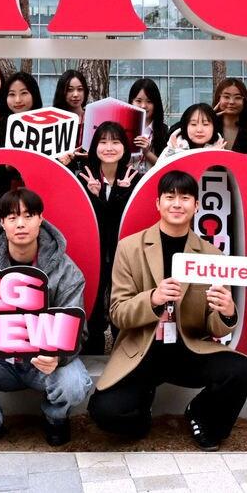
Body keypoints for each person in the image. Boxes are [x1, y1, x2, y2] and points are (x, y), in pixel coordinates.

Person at [88, 171, 247, 450]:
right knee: (104, 412)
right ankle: (142, 412)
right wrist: (153, 299)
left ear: (197, 206)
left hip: (188, 349)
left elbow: (213, 326)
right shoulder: (130, 247)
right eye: (170, 197)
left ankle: (201, 415)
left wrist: (226, 312)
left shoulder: (211, 255)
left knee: (240, 370)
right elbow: (117, 312)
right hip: (143, 349)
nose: (177, 204)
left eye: (185, 198)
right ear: (158, 203)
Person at [0, 188, 95, 450]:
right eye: (12, 217)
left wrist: (58, 356)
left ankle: (55, 417)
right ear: (2, 223)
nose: (21, 224)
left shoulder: (66, 271)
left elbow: (78, 331)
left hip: (43, 364)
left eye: (28, 215)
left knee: (74, 384)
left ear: (41, 219)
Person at [73, 120, 141, 355]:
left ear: (125, 147)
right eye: (103, 142)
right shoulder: (84, 177)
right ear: (94, 147)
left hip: (124, 253)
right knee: (93, 297)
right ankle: (91, 348)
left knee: (122, 297)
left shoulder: (134, 178)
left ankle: (125, 351)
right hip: (94, 251)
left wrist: (121, 193)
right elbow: (90, 222)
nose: (109, 147)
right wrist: (95, 196)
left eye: (115, 142)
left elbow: (124, 222)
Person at [0, 71, 42, 152]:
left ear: (34, 95)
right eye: (12, 94)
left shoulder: (48, 128)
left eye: (24, 93)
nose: (18, 100)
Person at [160, 102, 228, 161]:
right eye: (193, 124)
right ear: (185, 126)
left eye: (205, 124)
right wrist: (176, 153)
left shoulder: (221, 151)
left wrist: (215, 156)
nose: (199, 130)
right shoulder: (172, 148)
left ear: (214, 127)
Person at [128, 78, 170, 167]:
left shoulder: (166, 131)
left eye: (149, 101)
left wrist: (147, 152)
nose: (143, 106)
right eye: (138, 101)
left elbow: (167, 166)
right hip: (127, 176)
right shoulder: (123, 129)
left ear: (156, 104)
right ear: (131, 102)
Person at [211, 77, 247, 149]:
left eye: (237, 97)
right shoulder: (209, 127)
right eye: (226, 97)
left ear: (244, 101)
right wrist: (208, 119)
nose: (231, 102)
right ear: (218, 98)